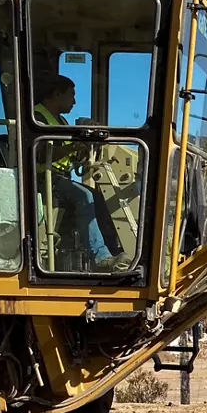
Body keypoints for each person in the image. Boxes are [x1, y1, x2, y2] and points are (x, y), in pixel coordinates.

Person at [33, 75, 125, 268]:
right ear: (57, 94)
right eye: (71, 95)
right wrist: (75, 145)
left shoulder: (61, 121)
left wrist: (82, 150)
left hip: (58, 178)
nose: (74, 101)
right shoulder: (38, 118)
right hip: (42, 179)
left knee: (98, 197)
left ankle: (115, 251)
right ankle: (100, 257)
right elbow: (40, 155)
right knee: (85, 196)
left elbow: (67, 156)